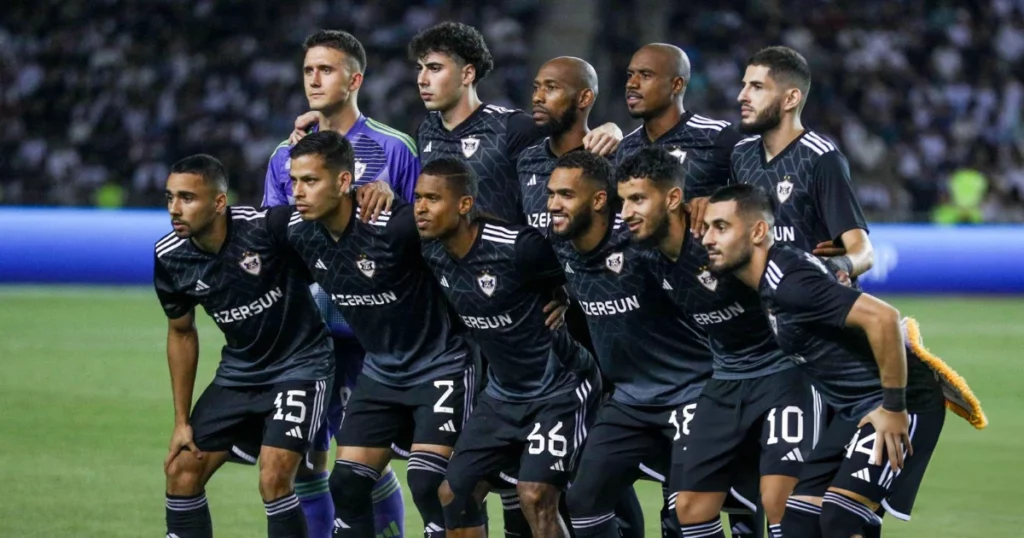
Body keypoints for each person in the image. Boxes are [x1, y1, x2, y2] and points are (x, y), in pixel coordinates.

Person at [701, 184, 946, 538]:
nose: (708, 238)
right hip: (855, 409)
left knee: (839, 517)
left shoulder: (788, 282)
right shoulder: (777, 274)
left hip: (903, 403)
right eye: (707, 227)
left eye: (721, 227)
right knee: (800, 521)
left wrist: (894, 407)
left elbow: (884, 319)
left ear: (757, 232)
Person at [266, 131, 475, 538]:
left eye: (310, 181)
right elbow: (241, 229)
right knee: (346, 484)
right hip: (381, 374)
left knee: (428, 483)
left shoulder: (395, 225)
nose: (298, 192)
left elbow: (469, 236)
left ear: (344, 182)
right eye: (294, 182)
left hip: (441, 366)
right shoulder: (299, 230)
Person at [616, 147, 822, 538]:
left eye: (637, 200)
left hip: (784, 376)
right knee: (689, 508)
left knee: (780, 500)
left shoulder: (719, 244)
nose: (625, 212)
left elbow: (796, 279)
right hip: (726, 379)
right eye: (623, 201)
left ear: (674, 199)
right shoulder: (644, 252)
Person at [262, 29, 411, 538]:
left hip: (374, 338)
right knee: (306, 463)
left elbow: (423, 234)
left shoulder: (393, 148)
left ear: (355, 79)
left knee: (365, 465)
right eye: (308, 70)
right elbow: (276, 242)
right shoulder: (286, 154)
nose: (314, 79)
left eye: (326, 69)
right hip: (310, 337)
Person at [414, 157, 601, 538]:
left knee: (534, 495)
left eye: (432, 199)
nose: (420, 208)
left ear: (464, 205)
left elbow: (576, 277)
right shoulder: (431, 250)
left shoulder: (520, 248)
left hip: (561, 388)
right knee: (454, 493)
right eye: (417, 198)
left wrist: (566, 302)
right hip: (502, 395)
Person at [155, 154, 334, 537]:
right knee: (182, 470)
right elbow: (181, 332)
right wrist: (181, 422)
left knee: (273, 475)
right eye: (170, 197)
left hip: (300, 367)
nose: (175, 209)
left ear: (219, 202)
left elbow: (331, 220)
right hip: (240, 374)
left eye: (187, 198)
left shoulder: (267, 227)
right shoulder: (171, 257)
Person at [519, 54, 647, 538]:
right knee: (557, 477)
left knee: (598, 475)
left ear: (585, 98)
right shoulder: (527, 157)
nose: (537, 95)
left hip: (603, 337)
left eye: (550, 87)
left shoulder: (617, 158)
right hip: (544, 338)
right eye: (536, 85)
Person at [546, 150, 705, 538]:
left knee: (690, 512)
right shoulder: (560, 244)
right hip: (628, 401)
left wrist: (696, 208)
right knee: (582, 502)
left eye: (565, 195)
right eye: (551, 194)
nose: (552, 205)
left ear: (599, 200)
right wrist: (557, 294)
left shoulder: (641, 240)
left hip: (691, 393)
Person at [409, 21, 622, 224]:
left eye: (434, 68)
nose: (422, 79)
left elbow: (569, 145)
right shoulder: (426, 129)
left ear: (467, 74)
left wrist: (611, 130)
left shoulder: (512, 127)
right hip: (436, 260)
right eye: (420, 68)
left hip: (505, 258)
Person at [731, 46, 873, 284]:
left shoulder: (821, 158)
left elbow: (863, 250)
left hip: (815, 308)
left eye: (756, 87)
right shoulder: (740, 155)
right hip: (766, 308)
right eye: (744, 85)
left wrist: (841, 266)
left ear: (791, 99)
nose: (742, 96)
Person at [614, 43, 743, 239]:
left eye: (645, 75)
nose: (632, 83)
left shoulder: (718, 137)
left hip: (701, 266)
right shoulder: (625, 147)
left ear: (676, 85)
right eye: (630, 74)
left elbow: (759, 194)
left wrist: (719, 203)